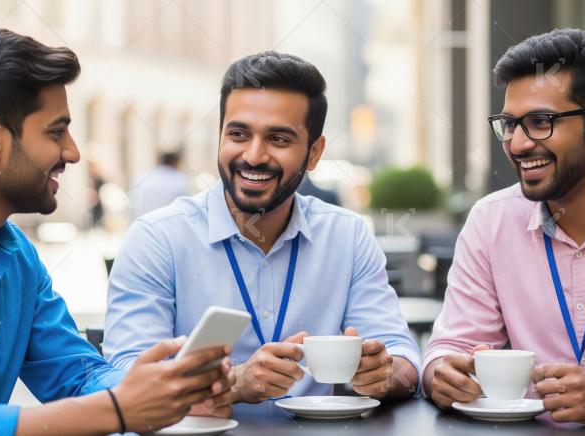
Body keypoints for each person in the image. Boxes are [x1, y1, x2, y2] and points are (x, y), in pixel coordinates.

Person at [0, 28, 233, 435]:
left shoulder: (15, 254)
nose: (73, 152)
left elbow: (77, 377)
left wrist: (166, 391)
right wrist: (119, 408)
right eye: (55, 131)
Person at [104, 51, 421, 416]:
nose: (253, 156)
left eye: (279, 139)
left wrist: (385, 373)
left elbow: (402, 355)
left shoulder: (347, 236)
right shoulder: (157, 238)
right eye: (238, 134)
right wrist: (233, 383)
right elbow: (127, 376)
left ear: (314, 153)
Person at [423, 28, 585, 433]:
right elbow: (447, 350)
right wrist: (442, 374)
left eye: (540, 122)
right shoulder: (491, 221)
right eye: (510, 124)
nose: (518, 144)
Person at [129, 151, 190, 220]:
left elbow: (133, 203)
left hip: (141, 222)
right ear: (176, 163)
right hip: (166, 224)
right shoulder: (180, 179)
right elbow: (183, 208)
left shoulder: (142, 177)